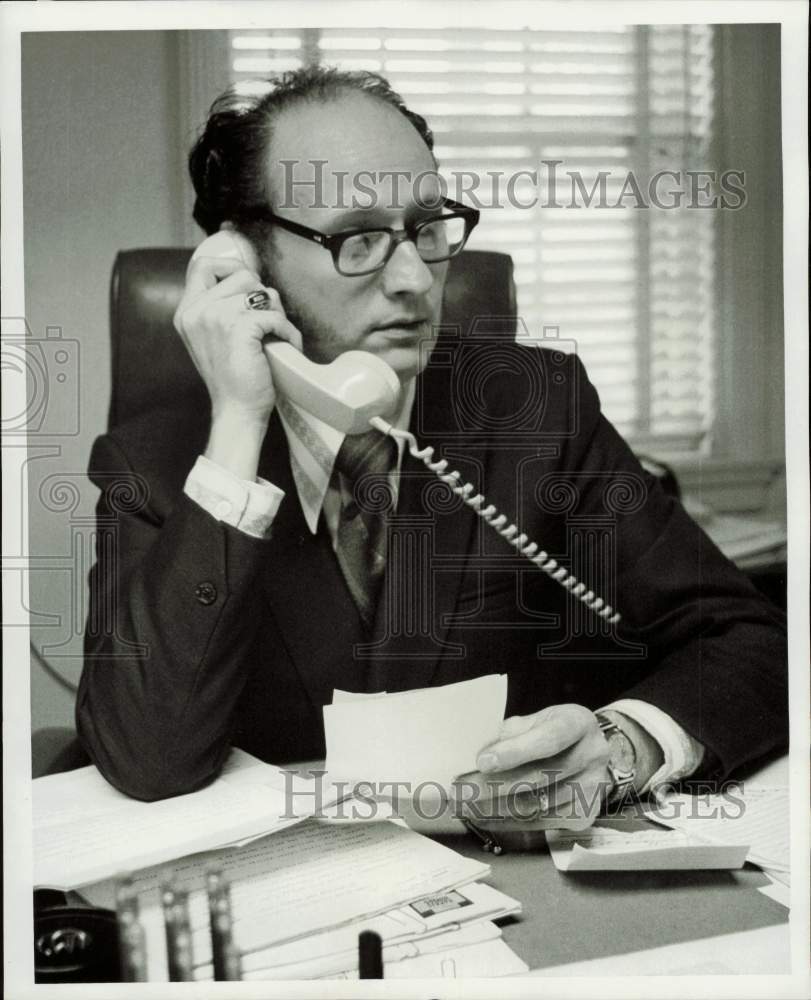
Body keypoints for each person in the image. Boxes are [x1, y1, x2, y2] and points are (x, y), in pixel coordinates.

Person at [76, 67, 787, 822]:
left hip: (523, 882)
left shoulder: (536, 410)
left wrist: (622, 748)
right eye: (358, 238)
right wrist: (238, 429)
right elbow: (147, 759)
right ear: (248, 262)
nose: (414, 277)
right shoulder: (154, 465)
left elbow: (746, 643)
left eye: (426, 226)